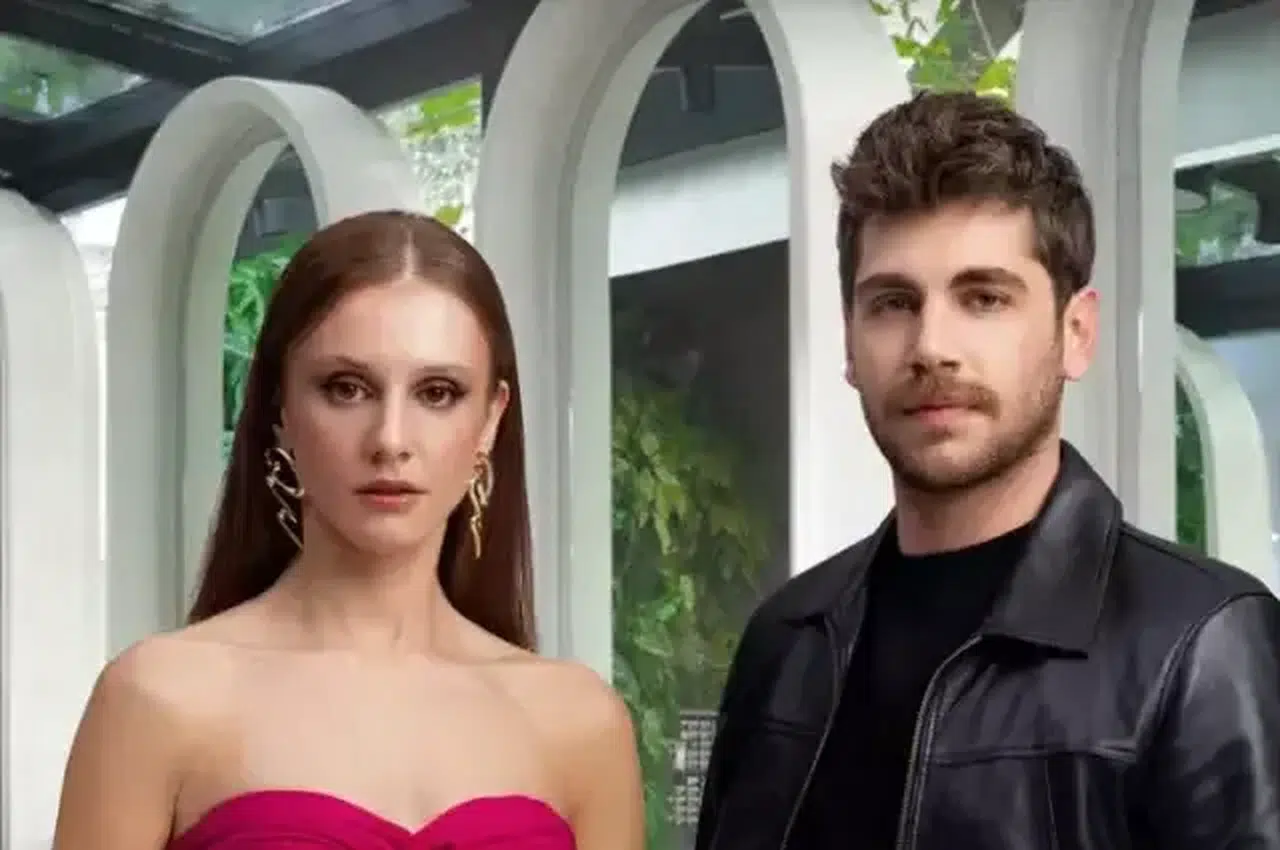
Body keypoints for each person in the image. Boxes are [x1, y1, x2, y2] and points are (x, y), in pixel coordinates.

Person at [694, 91, 1280, 850]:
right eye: (892, 303)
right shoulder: (783, 642)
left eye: (984, 298)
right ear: (849, 343)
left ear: (1076, 333)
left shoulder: (1202, 643)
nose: (931, 347)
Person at [52, 210, 644, 850]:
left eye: (437, 393)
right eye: (347, 388)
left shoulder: (580, 723)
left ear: (491, 420)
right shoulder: (155, 700)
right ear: (279, 408)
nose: (390, 440)